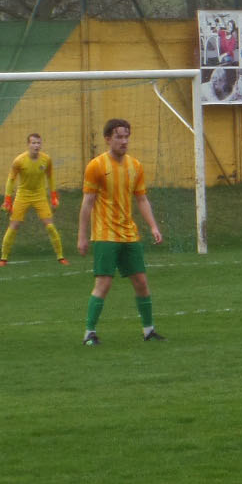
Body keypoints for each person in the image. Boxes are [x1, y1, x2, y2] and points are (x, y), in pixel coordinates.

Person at [76, 118, 166, 345]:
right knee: (104, 283)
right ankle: (89, 333)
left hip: (129, 235)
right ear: (108, 139)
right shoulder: (96, 166)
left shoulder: (135, 166)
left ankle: (149, 331)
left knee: (141, 281)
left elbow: (141, 199)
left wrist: (153, 226)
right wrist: (82, 236)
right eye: (119, 137)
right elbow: (87, 203)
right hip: (105, 235)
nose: (124, 141)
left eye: (126, 137)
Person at [0, 131, 67, 266]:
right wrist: (7, 200)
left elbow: (50, 177)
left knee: (50, 226)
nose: (36, 145)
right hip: (22, 195)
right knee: (14, 226)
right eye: (33, 143)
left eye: (38, 143)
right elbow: (11, 179)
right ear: (28, 145)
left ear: (41, 145)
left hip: (40, 195)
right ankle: (3, 258)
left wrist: (54, 196)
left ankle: (61, 257)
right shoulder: (19, 161)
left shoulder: (46, 160)